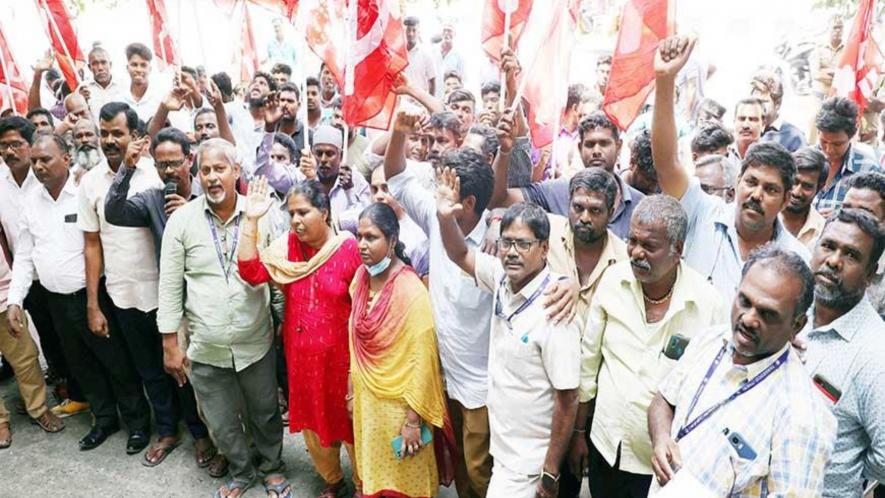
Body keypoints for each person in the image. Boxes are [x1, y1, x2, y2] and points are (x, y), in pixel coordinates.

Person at [568, 195, 726, 498]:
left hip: (663, 466)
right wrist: (578, 434)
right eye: (632, 241)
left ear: (677, 250)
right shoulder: (613, 282)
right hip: (606, 447)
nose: (637, 253)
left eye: (649, 246)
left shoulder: (707, 305)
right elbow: (588, 364)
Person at [647, 246, 836, 496]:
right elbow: (663, 400)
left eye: (767, 314)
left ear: (797, 326)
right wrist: (662, 440)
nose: (748, 319)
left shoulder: (803, 416)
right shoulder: (711, 340)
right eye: (744, 302)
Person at [158, 139, 288, 498]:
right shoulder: (181, 221)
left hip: (255, 340)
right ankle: (241, 471)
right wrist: (170, 342)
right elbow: (169, 286)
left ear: (236, 172)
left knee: (264, 412)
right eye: (206, 170)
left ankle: (272, 467)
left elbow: (278, 275)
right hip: (205, 345)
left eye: (220, 169)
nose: (213, 177)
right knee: (220, 420)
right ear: (197, 175)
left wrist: (283, 322)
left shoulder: (263, 212)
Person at [7, 133, 151, 452]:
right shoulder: (30, 202)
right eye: (35, 161)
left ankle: (138, 424)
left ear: (67, 159)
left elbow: (96, 245)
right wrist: (15, 299)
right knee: (81, 364)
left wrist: (93, 304)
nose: (39, 166)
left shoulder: (83, 192)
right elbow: (26, 256)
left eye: (46, 159)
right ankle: (104, 420)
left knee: (116, 363)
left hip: (93, 296)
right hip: (55, 301)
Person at [437, 186, 580, 498]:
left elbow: (568, 399)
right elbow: (459, 253)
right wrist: (445, 218)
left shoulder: (556, 307)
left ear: (544, 248)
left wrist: (550, 472)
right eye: (507, 243)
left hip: (529, 464)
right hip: (503, 450)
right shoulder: (501, 278)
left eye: (523, 244)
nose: (512, 252)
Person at [103, 126, 227, 475]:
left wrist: (188, 212)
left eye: (175, 162)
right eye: (161, 165)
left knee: (201, 379)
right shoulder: (153, 198)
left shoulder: (211, 192)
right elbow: (114, 213)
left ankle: (204, 435)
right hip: (169, 302)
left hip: (207, 302)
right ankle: (169, 431)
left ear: (190, 160)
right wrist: (126, 169)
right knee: (165, 370)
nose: (169, 171)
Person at [652, 35, 809, 303]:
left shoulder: (797, 260)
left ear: (785, 200)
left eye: (770, 189)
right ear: (737, 183)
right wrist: (665, 80)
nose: (757, 194)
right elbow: (667, 163)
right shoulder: (703, 213)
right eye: (752, 182)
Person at [237, 177, 359, 498]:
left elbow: (362, 312)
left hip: (342, 364)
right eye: (291, 214)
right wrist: (251, 219)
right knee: (315, 428)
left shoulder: (348, 249)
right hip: (303, 360)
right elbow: (250, 270)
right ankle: (333, 480)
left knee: (354, 427)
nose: (295, 221)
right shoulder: (287, 248)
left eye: (303, 213)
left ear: (325, 212)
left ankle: (365, 484)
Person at [348, 202, 456, 497]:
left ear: (392, 241)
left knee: (406, 478)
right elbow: (354, 342)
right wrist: (351, 391)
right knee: (375, 473)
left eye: (371, 237)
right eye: (360, 236)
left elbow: (424, 361)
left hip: (402, 408)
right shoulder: (360, 279)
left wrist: (412, 421)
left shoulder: (411, 292)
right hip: (368, 404)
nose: (362, 245)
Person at [0, 117, 87, 418]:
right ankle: (73, 391)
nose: (10, 151)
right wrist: (14, 294)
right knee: (52, 339)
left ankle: (95, 392)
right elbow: (19, 244)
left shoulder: (63, 179)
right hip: (28, 276)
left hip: (69, 276)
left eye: (16, 144)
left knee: (80, 339)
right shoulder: (0, 182)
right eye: (4, 146)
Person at [803, 208, 885, 497]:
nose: (834, 261)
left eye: (851, 255)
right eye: (828, 246)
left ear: (870, 273)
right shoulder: (788, 308)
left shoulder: (876, 354)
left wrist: (843, 470)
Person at [492, 110, 645, 240]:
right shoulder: (556, 192)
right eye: (590, 144)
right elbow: (499, 199)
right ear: (579, 148)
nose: (596, 151)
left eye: (604, 143)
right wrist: (505, 151)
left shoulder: (640, 205)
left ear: (618, 147)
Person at [0, 230, 65, 448]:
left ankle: (38, 409)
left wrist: (15, 298)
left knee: (25, 357)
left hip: (4, 296)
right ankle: (0, 422)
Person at [813, 97, 881, 215]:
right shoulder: (802, 161)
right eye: (823, 142)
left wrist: (846, 216)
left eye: (837, 144)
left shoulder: (869, 169)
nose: (829, 150)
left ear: (851, 136)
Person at [298, 125, 370, 215]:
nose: (323, 159)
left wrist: (349, 190)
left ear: (341, 155)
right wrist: (310, 181)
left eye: (329, 154)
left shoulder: (356, 181)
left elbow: (365, 216)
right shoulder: (302, 176)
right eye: (319, 154)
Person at [780, 146, 829, 251]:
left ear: (819, 188)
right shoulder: (766, 216)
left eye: (807, 186)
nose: (796, 192)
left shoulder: (823, 231)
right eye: (794, 182)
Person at [751, 68, 806, 152]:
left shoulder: (794, 137)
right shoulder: (745, 130)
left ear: (778, 104)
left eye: (763, 102)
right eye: (754, 102)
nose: (757, 107)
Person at [79, 46, 125, 118]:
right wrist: (80, 101)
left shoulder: (124, 86)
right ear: (89, 67)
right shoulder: (83, 89)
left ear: (110, 64)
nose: (100, 68)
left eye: (103, 62)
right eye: (95, 63)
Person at [122, 43, 162, 123]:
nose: (139, 70)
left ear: (150, 69)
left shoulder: (160, 97)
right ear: (127, 68)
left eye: (143, 65)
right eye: (134, 65)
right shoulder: (119, 98)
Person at [403, 16, 437, 95]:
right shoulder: (397, 51)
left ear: (419, 32)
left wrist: (430, 104)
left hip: (419, 102)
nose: (410, 34)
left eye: (414, 30)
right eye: (408, 30)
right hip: (401, 101)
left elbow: (432, 81)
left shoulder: (426, 54)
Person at [623, 130, 659, 195]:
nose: (653, 187)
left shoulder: (663, 190)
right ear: (632, 163)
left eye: (659, 181)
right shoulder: (615, 189)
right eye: (648, 179)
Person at [435, 23, 464, 98]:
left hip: (452, 97)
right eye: (444, 30)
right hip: (434, 95)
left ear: (454, 34)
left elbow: (462, 79)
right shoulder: (432, 52)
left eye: (449, 31)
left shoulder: (459, 55)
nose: (446, 33)